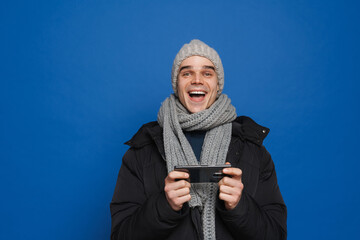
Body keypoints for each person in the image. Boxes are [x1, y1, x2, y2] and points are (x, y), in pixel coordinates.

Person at [110, 39, 287, 240]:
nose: (197, 80)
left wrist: (239, 206)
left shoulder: (253, 150)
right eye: (187, 73)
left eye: (207, 73)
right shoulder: (141, 152)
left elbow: (276, 235)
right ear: (177, 84)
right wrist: (164, 206)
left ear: (217, 84)